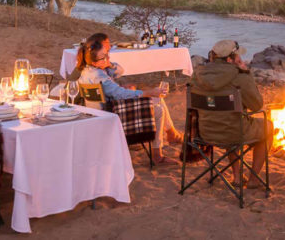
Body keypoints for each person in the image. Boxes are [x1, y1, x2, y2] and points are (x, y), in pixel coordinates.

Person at [78, 32, 182, 164]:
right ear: (94, 62)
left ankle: (171, 133)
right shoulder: (99, 75)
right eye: (103, 57)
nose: (107, 58)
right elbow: (120, 94)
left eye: (107, 55)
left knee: (158, 99)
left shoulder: (88, 70)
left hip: (101, 112)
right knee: (158, 109)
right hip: (112, 116)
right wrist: (148, 92)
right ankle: (158, 155)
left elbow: (120, 71)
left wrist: (109, 64)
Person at [190, 40, 271, 187]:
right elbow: (257, 105)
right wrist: (247, 74)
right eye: (238, 56)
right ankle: (253, 179)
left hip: (204, 132)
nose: (241, 59)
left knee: (226, 118)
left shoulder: (197, 75)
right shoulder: (239, 77)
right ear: (229, 60)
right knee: (267, 127)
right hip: (233, 132)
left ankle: (237, 177)